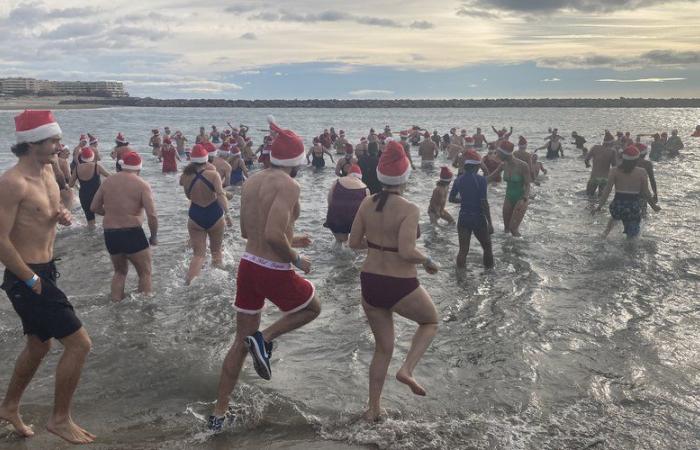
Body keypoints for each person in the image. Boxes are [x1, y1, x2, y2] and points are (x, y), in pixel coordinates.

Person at [209, 116, 321, 432]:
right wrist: (298, 258)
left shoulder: (252, 180)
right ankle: (265, 338)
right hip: (272, 268)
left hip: (248, 266)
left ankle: (218, 415)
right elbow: (273, 236)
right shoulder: (289, 184)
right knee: (313, 308)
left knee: (239, 343)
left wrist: (295, 238)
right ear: (297, 160)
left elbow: (249, 231)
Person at [0, 110, 95, 444]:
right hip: (25, 276)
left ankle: (9, 406)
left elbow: (43, 215)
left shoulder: (50, 174)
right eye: (53, 139)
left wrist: (60, 215)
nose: (59, 144)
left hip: (46, 270)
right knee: (80, 344)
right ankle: (59, 419)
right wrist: (29, 279)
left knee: (38, 346)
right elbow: (0, 239)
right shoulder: (12, 182)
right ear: (31, 143)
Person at [348, 139, 439, 422]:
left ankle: (374, 408)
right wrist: (427, 261)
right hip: (399, 283)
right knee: (430, 321)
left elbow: (353, 243)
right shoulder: (409, 208)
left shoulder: (366, 202)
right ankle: (407, 370)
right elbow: (407, 251)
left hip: (370, 281)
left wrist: (377, 245)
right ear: (405, 175)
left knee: (383, 348)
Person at [90, 151, 157, 301]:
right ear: (139, 168)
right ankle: (145, 312)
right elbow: (152, 215)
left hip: (110, 234)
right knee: (145, 273)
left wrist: (112, 214)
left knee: (120, 272)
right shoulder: (142, 184)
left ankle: (115, 307)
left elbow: (94, 207)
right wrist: (154, 236)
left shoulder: (108, 181)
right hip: (132, 232)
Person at [179, 145, 232, 285]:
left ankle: (188, 283)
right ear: (206, 159)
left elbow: (187, 193)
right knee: (216, 252)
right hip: (214, 214)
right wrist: (228, 214)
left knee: (198, 255)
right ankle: (219, 284)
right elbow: (220, 195)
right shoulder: (213, 174)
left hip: (195, 215)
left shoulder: (185, 176)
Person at [595, 146, 660, 238]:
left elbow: (607, 190)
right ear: (637, 159)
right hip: (632, 207)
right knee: (632, 238)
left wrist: (600, 206)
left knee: (614, 217)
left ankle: (605, 234)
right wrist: (654, 206)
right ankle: (628, 249)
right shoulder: (642, 172)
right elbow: (646, 192)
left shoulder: (614, 171)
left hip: (617, 206)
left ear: (623, 158)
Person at [449, 148, 494, 268]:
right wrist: (490, 223)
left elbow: (451, 199)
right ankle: (489, 275)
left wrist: (464, 200)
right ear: (475, 167)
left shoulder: (458, 180)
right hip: (478, 218)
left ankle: (460, 278)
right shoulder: (481, 180)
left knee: (463, 250)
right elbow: (484, 202)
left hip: (463, 217)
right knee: (487, 247)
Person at [488, 141, 531, 236]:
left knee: (513, 229)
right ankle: (506, 249)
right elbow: (490, 177)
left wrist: (524, 198)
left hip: (521, 198)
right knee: (506, 229)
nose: (497, 154)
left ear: (504, 154)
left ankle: (521, 249)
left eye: (499, 153)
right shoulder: (503, 165)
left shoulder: (523, 165)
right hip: (508, 197)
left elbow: (528, 184)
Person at [324, 164, 369, 247]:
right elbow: (366, 211)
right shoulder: (365, 188)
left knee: (340, 243)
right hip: (353, 221)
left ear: (348, 174)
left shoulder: (337, 182)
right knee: (353, 245)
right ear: (360, 177)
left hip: (335, 219)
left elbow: (329, 200)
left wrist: (332, 215)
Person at [69, 147, 110, 228]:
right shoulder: (97, 166)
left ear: (82, 157)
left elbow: (70, 184)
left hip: (84, 196)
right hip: (97, 195)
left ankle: (90, 237)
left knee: (90, 222)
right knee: (107, 213)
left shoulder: (77, 168)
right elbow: (110, 177)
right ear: (92, 156)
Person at [585, 131, 617, 197]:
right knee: (601, 198)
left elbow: (586, 160)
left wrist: (587, 165)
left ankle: (590, 207)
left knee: (589, 197)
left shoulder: (595, 148)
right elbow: (614, 166)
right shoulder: (612, 151)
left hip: (594, 177)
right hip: (605, 178)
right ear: (611, 143)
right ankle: (599, 207)